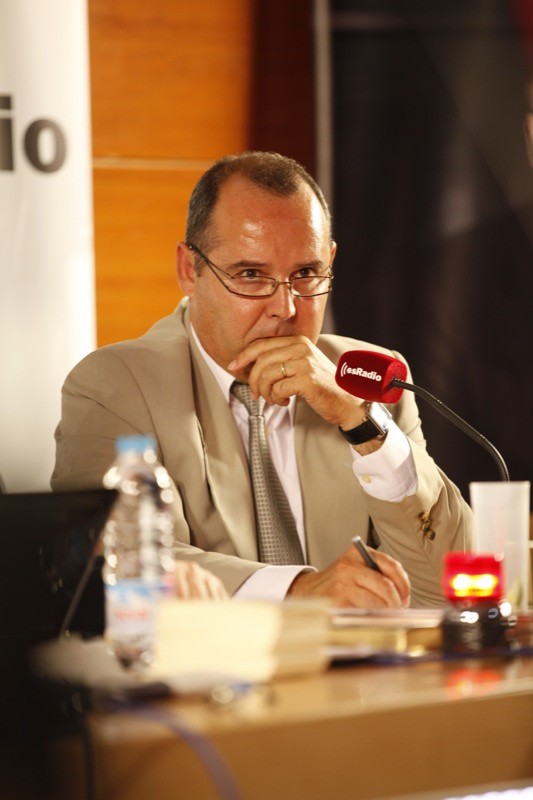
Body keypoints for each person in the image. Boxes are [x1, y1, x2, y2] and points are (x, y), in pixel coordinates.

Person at [52, 151, 472, 608]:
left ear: (330, 261)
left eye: (306, 273)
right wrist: (301, 590)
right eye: (251, 275)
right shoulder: (115, 386)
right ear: (189, 270)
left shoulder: (369, 378)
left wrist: (360, 422)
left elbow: (449, 584)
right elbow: (120, 559)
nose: (285, 309)